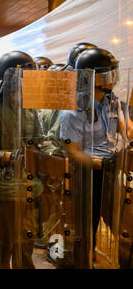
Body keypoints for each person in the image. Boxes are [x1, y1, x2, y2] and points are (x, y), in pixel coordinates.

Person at [60, 48, 133, 265]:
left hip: (112, 173)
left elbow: (126, 129)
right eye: (105, 74)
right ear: (89, 77)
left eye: (112, 72)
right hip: (86, 176)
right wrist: (102, 165)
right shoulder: (73, 110)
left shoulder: (112, 102)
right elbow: (73, 153)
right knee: (85, 232)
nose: (112, 78)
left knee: (124, 228)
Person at [0, 51, 43, 268]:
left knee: (26, 244)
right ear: (12, 79)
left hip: (29, 187)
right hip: (3, 190)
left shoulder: (29, 109)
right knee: (3, 245)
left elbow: (39, 141)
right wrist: (6, 156)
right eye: (24, 77)